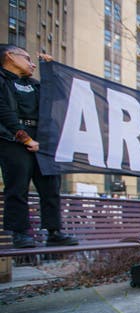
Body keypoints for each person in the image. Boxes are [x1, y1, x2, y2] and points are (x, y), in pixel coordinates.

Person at [0, 44, 78, 248]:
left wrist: (52, 69)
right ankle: (20, 233)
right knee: (17, 187)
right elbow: (4, 112)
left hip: (41, 139)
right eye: (27, 58)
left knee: (51, 186)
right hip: (13, 140)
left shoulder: (34, 84)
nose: (32, 63)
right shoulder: (2, 81)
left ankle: (54, 231)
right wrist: (24, 138)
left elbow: (59, 96)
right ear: (9, 56)